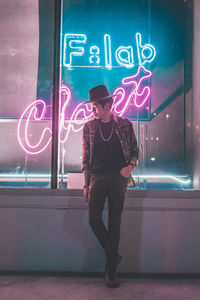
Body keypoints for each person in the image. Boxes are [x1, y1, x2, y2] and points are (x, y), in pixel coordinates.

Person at [82, 85, 139, 288]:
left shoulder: (124, 125)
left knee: (115, 223)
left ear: (106, 105)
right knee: (94, 219)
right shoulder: (89, 127)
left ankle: (110, 271)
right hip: (97, 178)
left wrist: (129, 168)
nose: (93, 110)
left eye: (95, 106)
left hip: (118, 178)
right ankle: (113, 255)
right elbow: (86, 159)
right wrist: (86, 184)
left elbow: (135, 150)